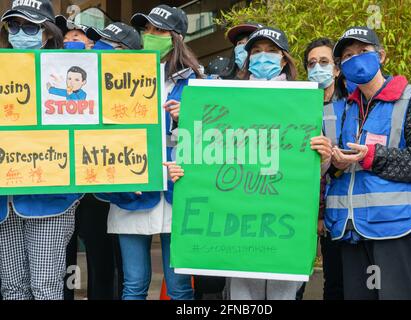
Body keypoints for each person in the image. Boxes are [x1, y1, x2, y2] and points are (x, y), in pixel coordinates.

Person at [165, 26, 332, 300]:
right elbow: (203, 156)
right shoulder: (224, 100)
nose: (263, 56)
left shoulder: (303, 102)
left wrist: (324, 157)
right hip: (239, 227)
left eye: (271, 51)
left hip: (283, 223)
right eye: (256, 51)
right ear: (247, 58)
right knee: (242, 298)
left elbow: (311, 167)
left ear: (283, 59)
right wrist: (184, 170)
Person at [325, 26, 411, 300]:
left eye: (363, 52)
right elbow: (337, 168)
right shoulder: (344, 110)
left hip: (397, 228)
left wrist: (372, 156)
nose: (355, 59)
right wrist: (337, 163)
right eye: (348, 56)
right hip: (352, 230)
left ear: (381, 56)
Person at [99, 4, 202, 300]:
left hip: (178, 190)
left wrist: (189, 117)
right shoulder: (117, 79)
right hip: (132, 188)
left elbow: (213, 139)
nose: (151, 35)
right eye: (147, 29)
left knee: (180, 287)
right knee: (133, 285)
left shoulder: (196, 81)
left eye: (159, 30)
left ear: (177, 37)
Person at [0, 0, 82, 300]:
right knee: (12, 290)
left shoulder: (72, 72)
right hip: (3, 203)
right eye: (14, 25)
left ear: (47, 34)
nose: (21, 33)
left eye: (30, 26)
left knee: (46, 289)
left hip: (50, 200)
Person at [54, 16, 126, 301]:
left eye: (77, 36)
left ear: (93, 44)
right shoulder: (53, 78)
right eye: (66, 36)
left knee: (99, 256)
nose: (70, 40)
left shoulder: (104, 76)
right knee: (62, 258)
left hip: (96, 185)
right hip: (60, 183)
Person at [303, 37, 345, 300]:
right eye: (311, 63)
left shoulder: (351, 107)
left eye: (324, 62)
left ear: (336, 69)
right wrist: (317, 213)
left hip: (340, 212)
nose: (317, 67)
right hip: (304, 210)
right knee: (295, 278)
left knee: (337, 283)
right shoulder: (299, 107)